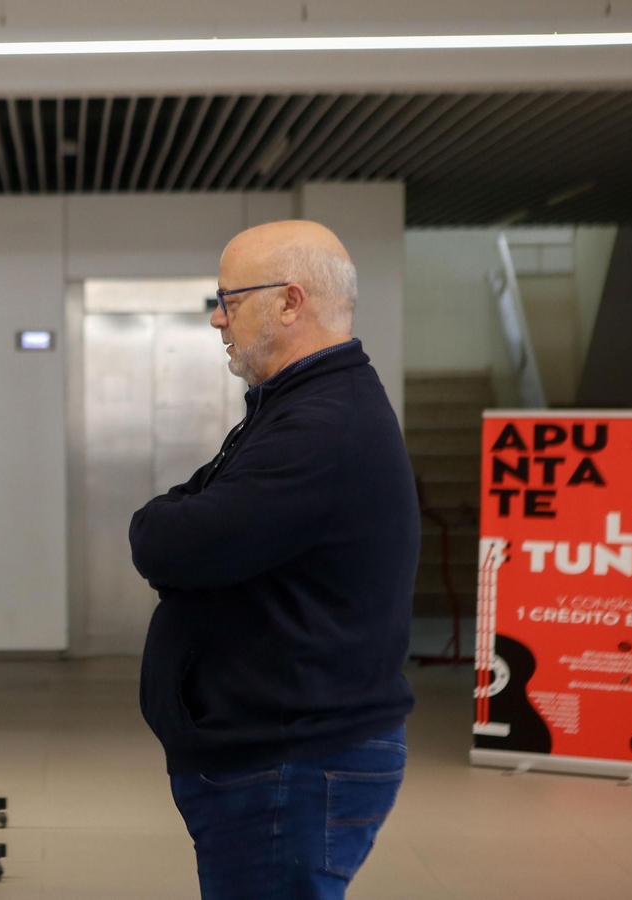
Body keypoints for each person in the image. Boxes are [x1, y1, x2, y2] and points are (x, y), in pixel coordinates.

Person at [129, 220, 419, 900]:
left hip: (291, 762)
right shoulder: (296, 407)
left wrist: (168, 525)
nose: (216, 318)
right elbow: (193, 519)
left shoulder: (320, 425)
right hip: (281, 752)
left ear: (291, 302)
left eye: (230, 298)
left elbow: (173, 541)